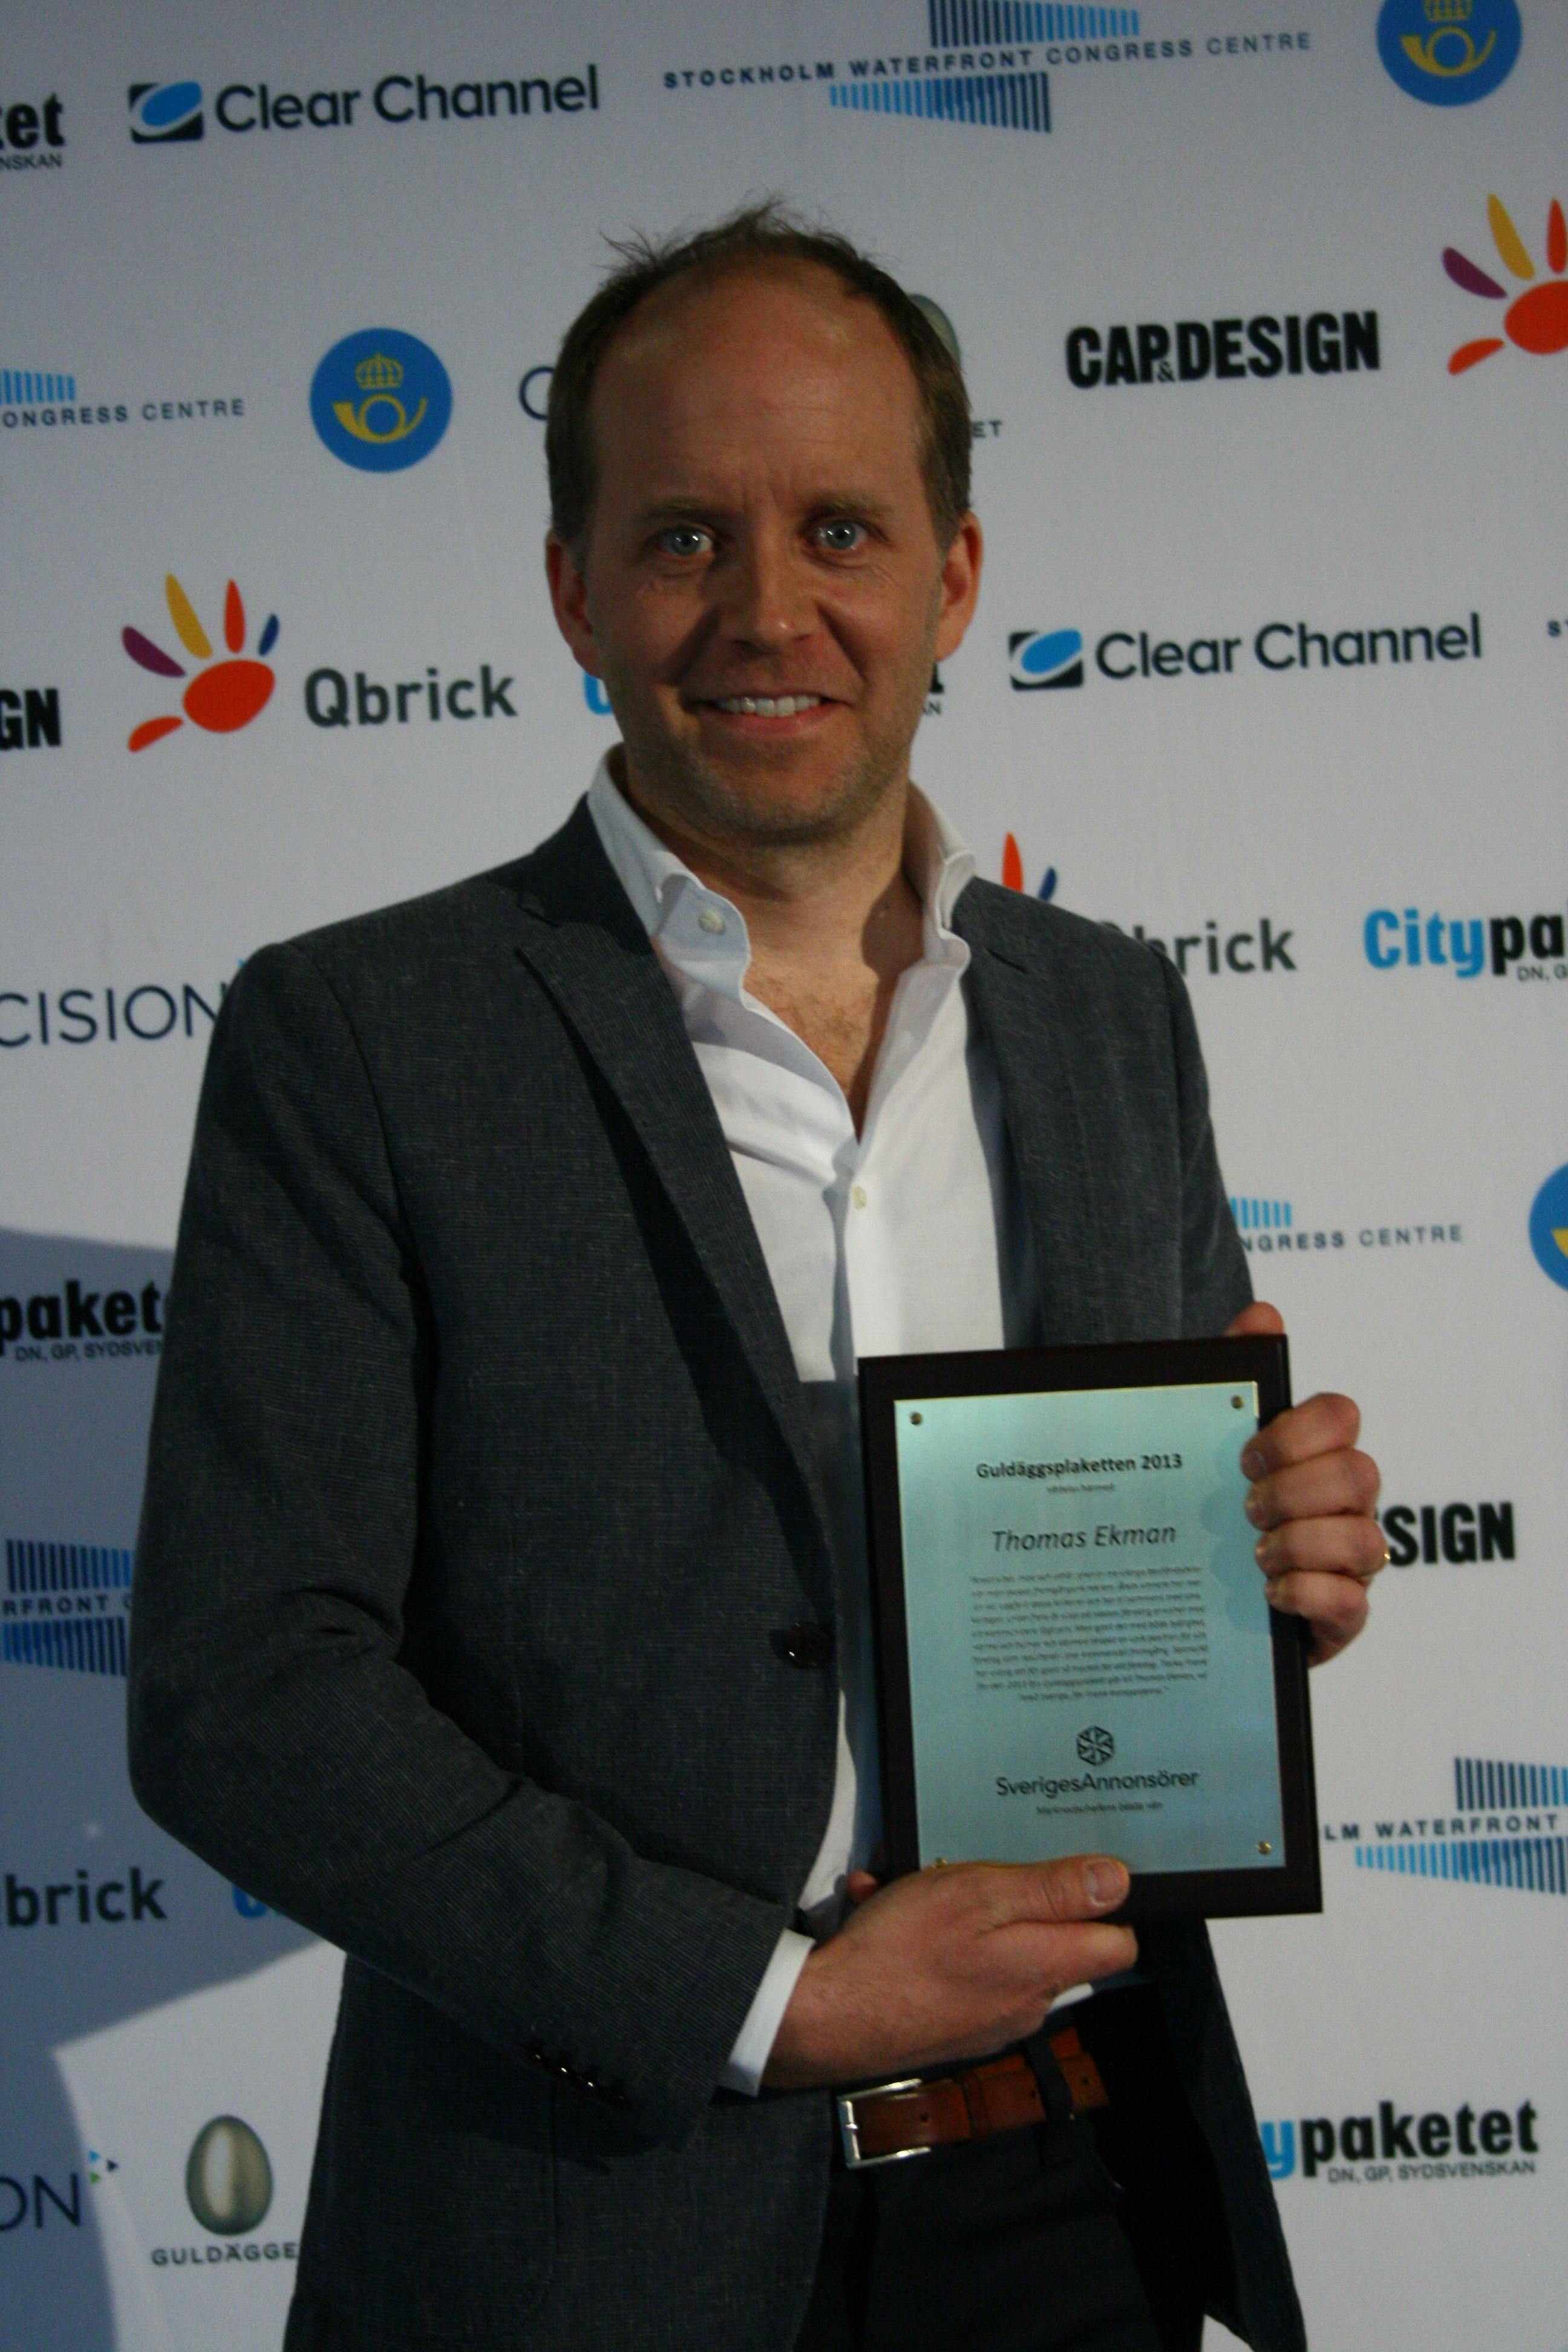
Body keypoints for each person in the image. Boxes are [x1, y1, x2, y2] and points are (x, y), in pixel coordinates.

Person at [129, 206, 1385, 2352]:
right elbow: (245, 1695)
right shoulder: (362, 1036)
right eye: (686, 537)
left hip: (1081, 2186)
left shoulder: (1108, 1012)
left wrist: (1270, 1573)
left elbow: (1154, 1586)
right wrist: (768, 1999)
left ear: (954, 579)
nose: (768, 609)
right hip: (580, 2233)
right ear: (574, 589)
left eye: (841, 529)